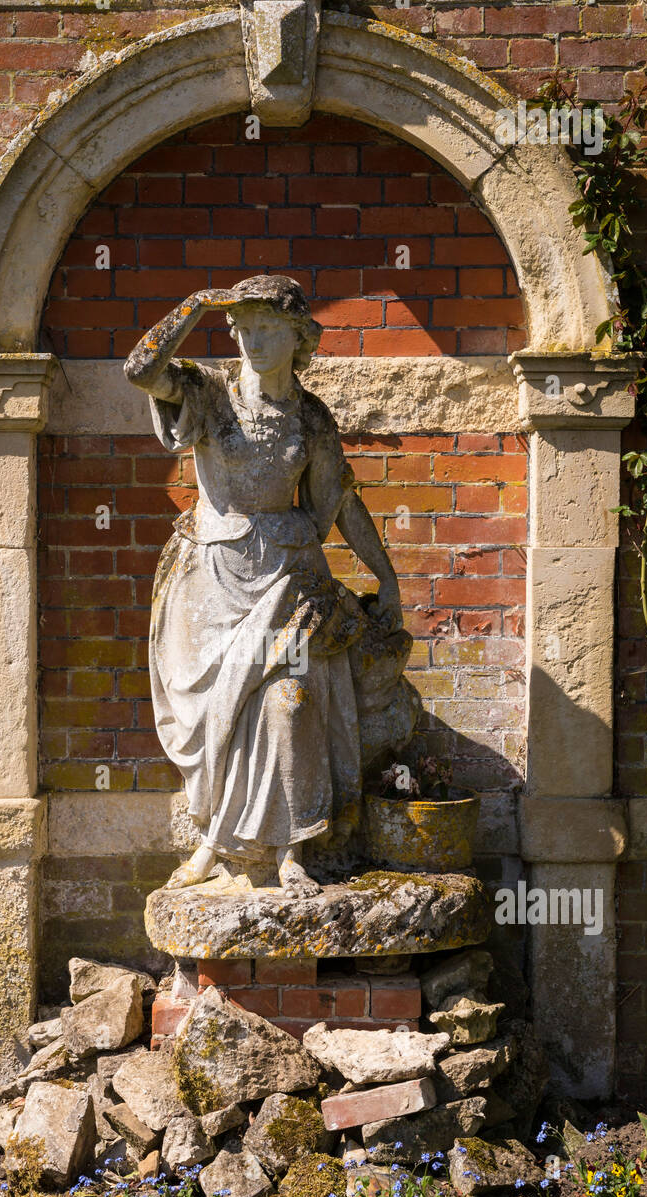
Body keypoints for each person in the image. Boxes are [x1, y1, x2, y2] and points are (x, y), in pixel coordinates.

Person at [124, 275, 404, 894]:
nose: (252, 339)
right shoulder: (211, 393)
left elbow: (341, 503)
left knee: (291, 703)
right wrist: (194, 304)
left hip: (291, 580)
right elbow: (142, 368)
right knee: (221, 713)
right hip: (215, 583)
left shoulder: (309, 417)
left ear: (299, 336)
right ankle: (212, 842)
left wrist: (385, 578)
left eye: (268, 328)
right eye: (243, 327)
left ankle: (291, 849)